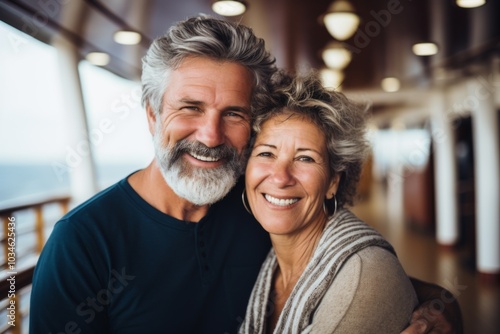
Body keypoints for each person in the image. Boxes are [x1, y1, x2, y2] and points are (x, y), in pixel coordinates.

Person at [29, 15, 460, 334]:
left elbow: (354, 274)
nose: (211, 135)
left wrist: (441, 310)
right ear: (152, 114)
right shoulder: (81, 243)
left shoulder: (258, 203)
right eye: (190, 108)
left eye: (232, 113)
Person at [239, 70, 418, 333]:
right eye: (266, 153)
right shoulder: (258, 255)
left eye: (305, 158)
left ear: (333, 182)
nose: (280, 177)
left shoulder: (366, 274)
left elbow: (370, 278)